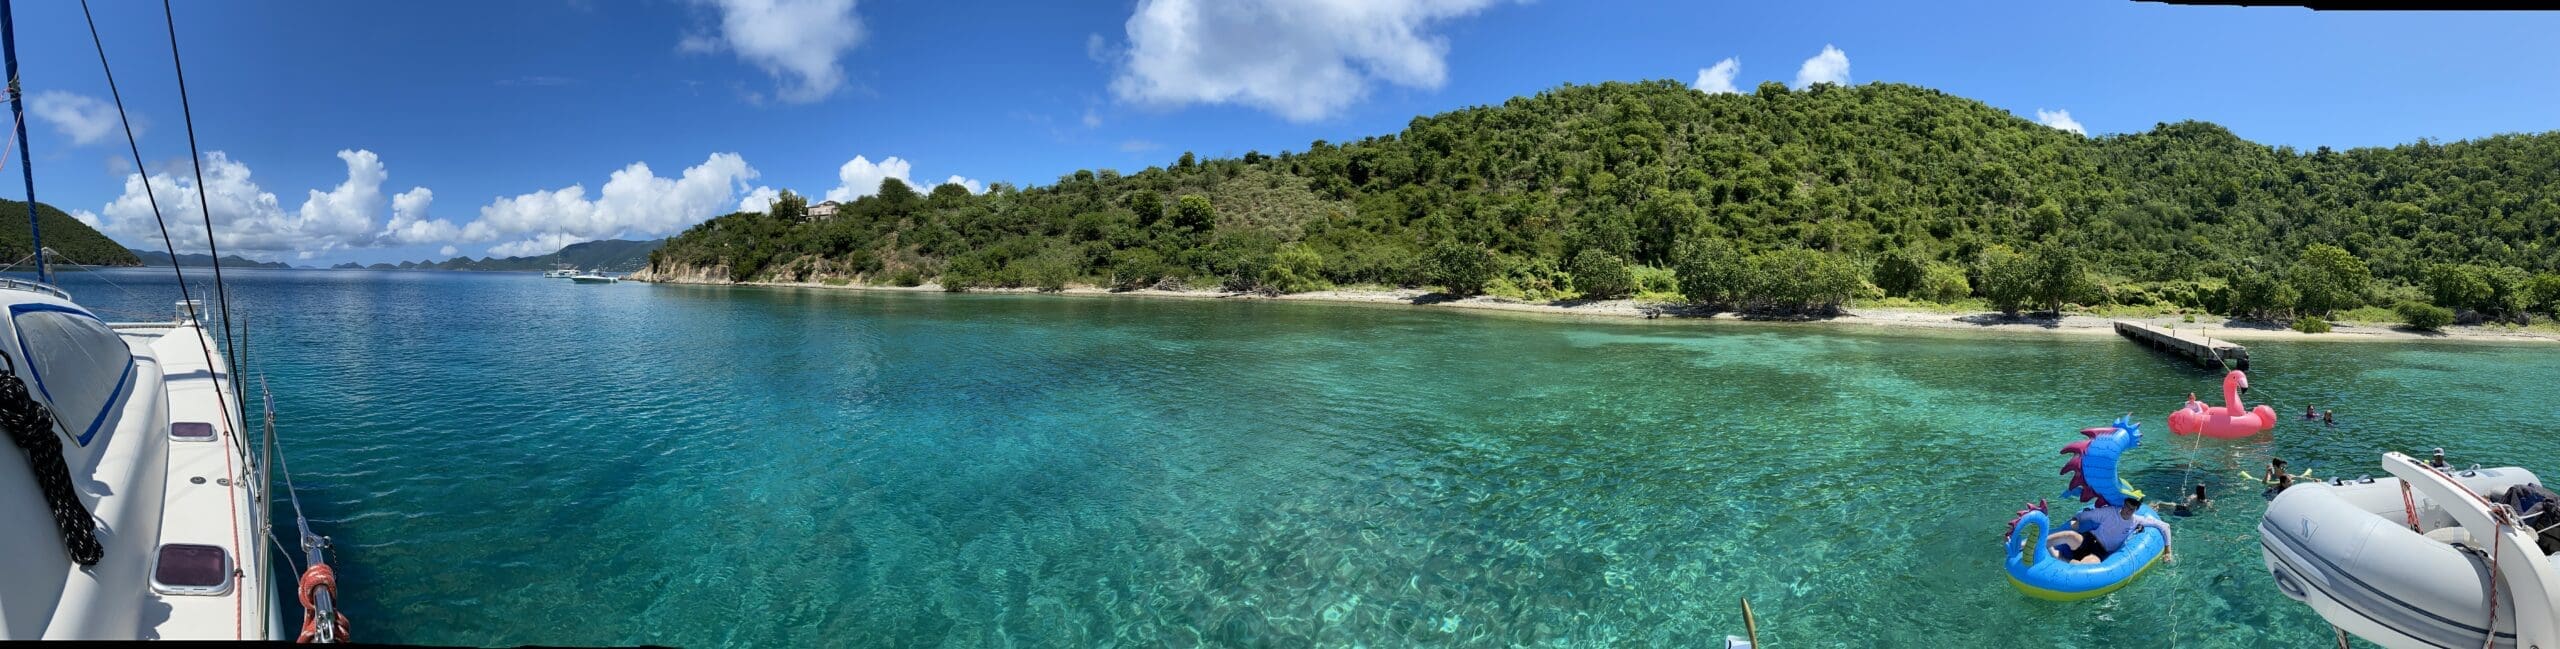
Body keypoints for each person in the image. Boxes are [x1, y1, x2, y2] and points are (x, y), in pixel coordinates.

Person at [2060, 497, 2175, 564]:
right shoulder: (2109, 512)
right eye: (2126, 506)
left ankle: (2063, 560)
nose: (2127, 511)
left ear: (2136, 510)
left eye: (2131, 509)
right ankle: (2054, 554)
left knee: (2088, 564)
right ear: (2123, 504)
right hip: (2088, 539)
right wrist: (2075, 520)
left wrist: (2168, 552)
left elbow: (2165, 526)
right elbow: (2083, 515)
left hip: (2101, 551)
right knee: (2070, 538)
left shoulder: (2136, 520)